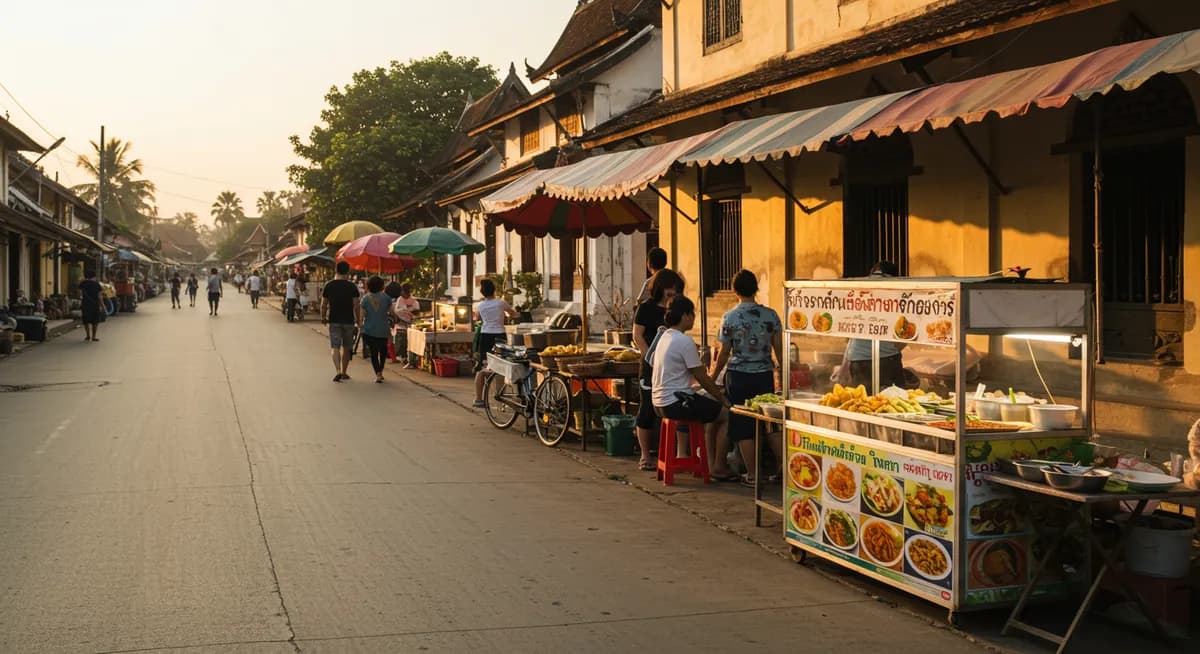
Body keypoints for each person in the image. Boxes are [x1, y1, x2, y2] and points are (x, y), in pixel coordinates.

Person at [711, 270, 784, 487]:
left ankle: (753, 475)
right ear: (756, 289)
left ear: (734, 291)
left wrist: (713, 376)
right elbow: (779, 350)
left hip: (739, 377)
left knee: (744, 425)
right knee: (770, 423)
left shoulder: (730, 317)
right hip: (764, 376)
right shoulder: (771, 315)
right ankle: (785, 468)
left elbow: (723, 352)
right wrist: (781, 373)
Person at [651, 295, 735, 479]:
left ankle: (710, 464)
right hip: (674, 403)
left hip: (659, 401)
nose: (694, 318)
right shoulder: (683, 341)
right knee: (726, 415)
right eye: (692, 314)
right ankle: (718, 466)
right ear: (685, 316)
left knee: (711, 410)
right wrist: (724, 399)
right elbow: (702, 378)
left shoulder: (665, 336)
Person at [632, 269, 685, 470]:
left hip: (675, 368)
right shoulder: (646, 308)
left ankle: (680, 453)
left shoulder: (678, 308)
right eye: (668, 288)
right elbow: (638, 336)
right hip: (650, 366)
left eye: (675, 289)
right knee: (647, 409)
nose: (672, 292)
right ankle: (645, 455)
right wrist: (651, 357)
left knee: (679, 407)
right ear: (659, 288)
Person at [833, 261, 907, 390]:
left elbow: (852, 335)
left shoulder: (858, 291)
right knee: (892, 400)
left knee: (864, 402)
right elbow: (906, 333)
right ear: (895, 276)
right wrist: (892, 349)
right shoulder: (898, 290)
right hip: (887, 359)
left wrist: (845, 364)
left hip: (858, 360)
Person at [472, 278, 518, 408]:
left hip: (485, 336)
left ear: (482, 292)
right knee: (500, 366)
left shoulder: (480, 306)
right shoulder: (500, 303)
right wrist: (509, 316)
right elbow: (513, 314)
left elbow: (477, 318)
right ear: (494, 290)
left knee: (482, 367)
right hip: (499, 336)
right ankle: (500, 395)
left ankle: (478, 399)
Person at [322, 261, 361, 382]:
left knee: (335, 347)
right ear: (348, 272)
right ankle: (344, 372)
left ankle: (338, 370)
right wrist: (358, 320)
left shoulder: (328, 285)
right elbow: (356, 305)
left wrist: (323, 317)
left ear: (336, 270)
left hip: (334, 320)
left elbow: (324, 304)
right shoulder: (352, 286)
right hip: (349, 321)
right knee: (347, 347)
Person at [358, 276, 394, 383]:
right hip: (383, 329)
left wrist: (360, 325)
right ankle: (381, 371)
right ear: (382, 286)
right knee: (383, 351)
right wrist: (397, 318)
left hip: (369, 330)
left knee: (373, 353)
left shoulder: (365, 299)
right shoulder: (386, 298)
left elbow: (362, 316)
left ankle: (378, 373)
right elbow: (392, 312)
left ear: (368, 286)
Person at [392, 283, 420, 368]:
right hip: (401, 325)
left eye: (403, 291)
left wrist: (406, 311)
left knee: (411, 342)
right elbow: (397, 311)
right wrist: (408, 311)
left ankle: (410, 359)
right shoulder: (399, 299)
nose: (401, 293)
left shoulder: (414, 301)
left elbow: (417, 312)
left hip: (411, 325)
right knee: (402, 342)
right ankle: (403, 357)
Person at [79, 269, 102, 342]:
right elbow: (99, 296)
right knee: (95, 321)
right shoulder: (97, 284)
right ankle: (94, 337)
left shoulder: (83, 283)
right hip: (95, 305)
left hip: (85, 304)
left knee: (86, 320)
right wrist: (102, 305)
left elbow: (79, 293)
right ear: (94, 276)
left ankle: (87, 336)